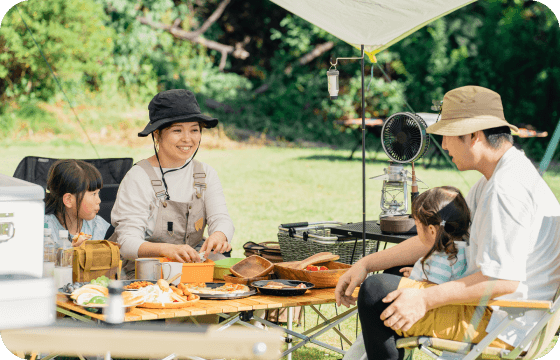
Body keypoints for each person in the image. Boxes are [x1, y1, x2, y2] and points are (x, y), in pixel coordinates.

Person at [336, 85, 560, 360]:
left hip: (502, 323)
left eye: (448, 136)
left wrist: (424, 298)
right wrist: (366, 263)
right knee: (388, 276)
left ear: (474, 135)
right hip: (499, 312)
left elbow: (503, 281)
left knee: (376, 293)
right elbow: (439, 238)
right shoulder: (498, 178)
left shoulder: (506, 190)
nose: (443, 145)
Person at [110, 89, 234, 279]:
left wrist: (219, 235)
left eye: (194, 130)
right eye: (177, 130)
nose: (187, 139)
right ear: (157, 135)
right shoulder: (138, 177)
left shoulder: (205, 173)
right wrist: (165, 250)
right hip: (143, 276)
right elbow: (126, 243)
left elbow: (222, 218)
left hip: (192, 272)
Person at [343, 186, 471, 360]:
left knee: (377, 296)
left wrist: (422, 275)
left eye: (417, 225)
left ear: (432, 231)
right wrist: (419, 271)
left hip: (436, 309)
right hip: (456, 305)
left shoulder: (443, 256)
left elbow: (435, 286)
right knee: (392, 275)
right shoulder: (455, 249)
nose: (416, 231)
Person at [44, 159, 110, 246]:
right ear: (68, 200)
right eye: (93, 194)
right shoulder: (45, 227)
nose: (99, 200)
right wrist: (72, 249)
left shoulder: (97, 226)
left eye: (98, 193)